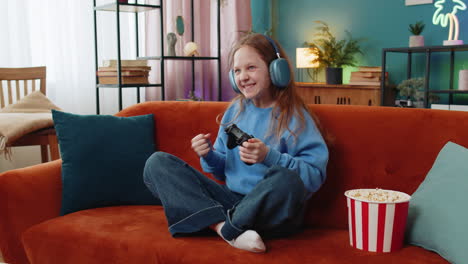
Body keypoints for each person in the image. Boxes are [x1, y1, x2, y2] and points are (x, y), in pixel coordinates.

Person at [143, 33, 329, 253]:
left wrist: (269, 156)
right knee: (157, 163)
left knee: (287, 179)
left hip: (272, 213)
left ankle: (216, 223)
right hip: (233, 203)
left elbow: (313, 176)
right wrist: (209, 156)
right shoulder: (235, 111)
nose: (242, 77)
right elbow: (222, 173)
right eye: (237, 71)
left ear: (275, 70)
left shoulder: (295, 117)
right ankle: (226, 229)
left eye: (251, 68)